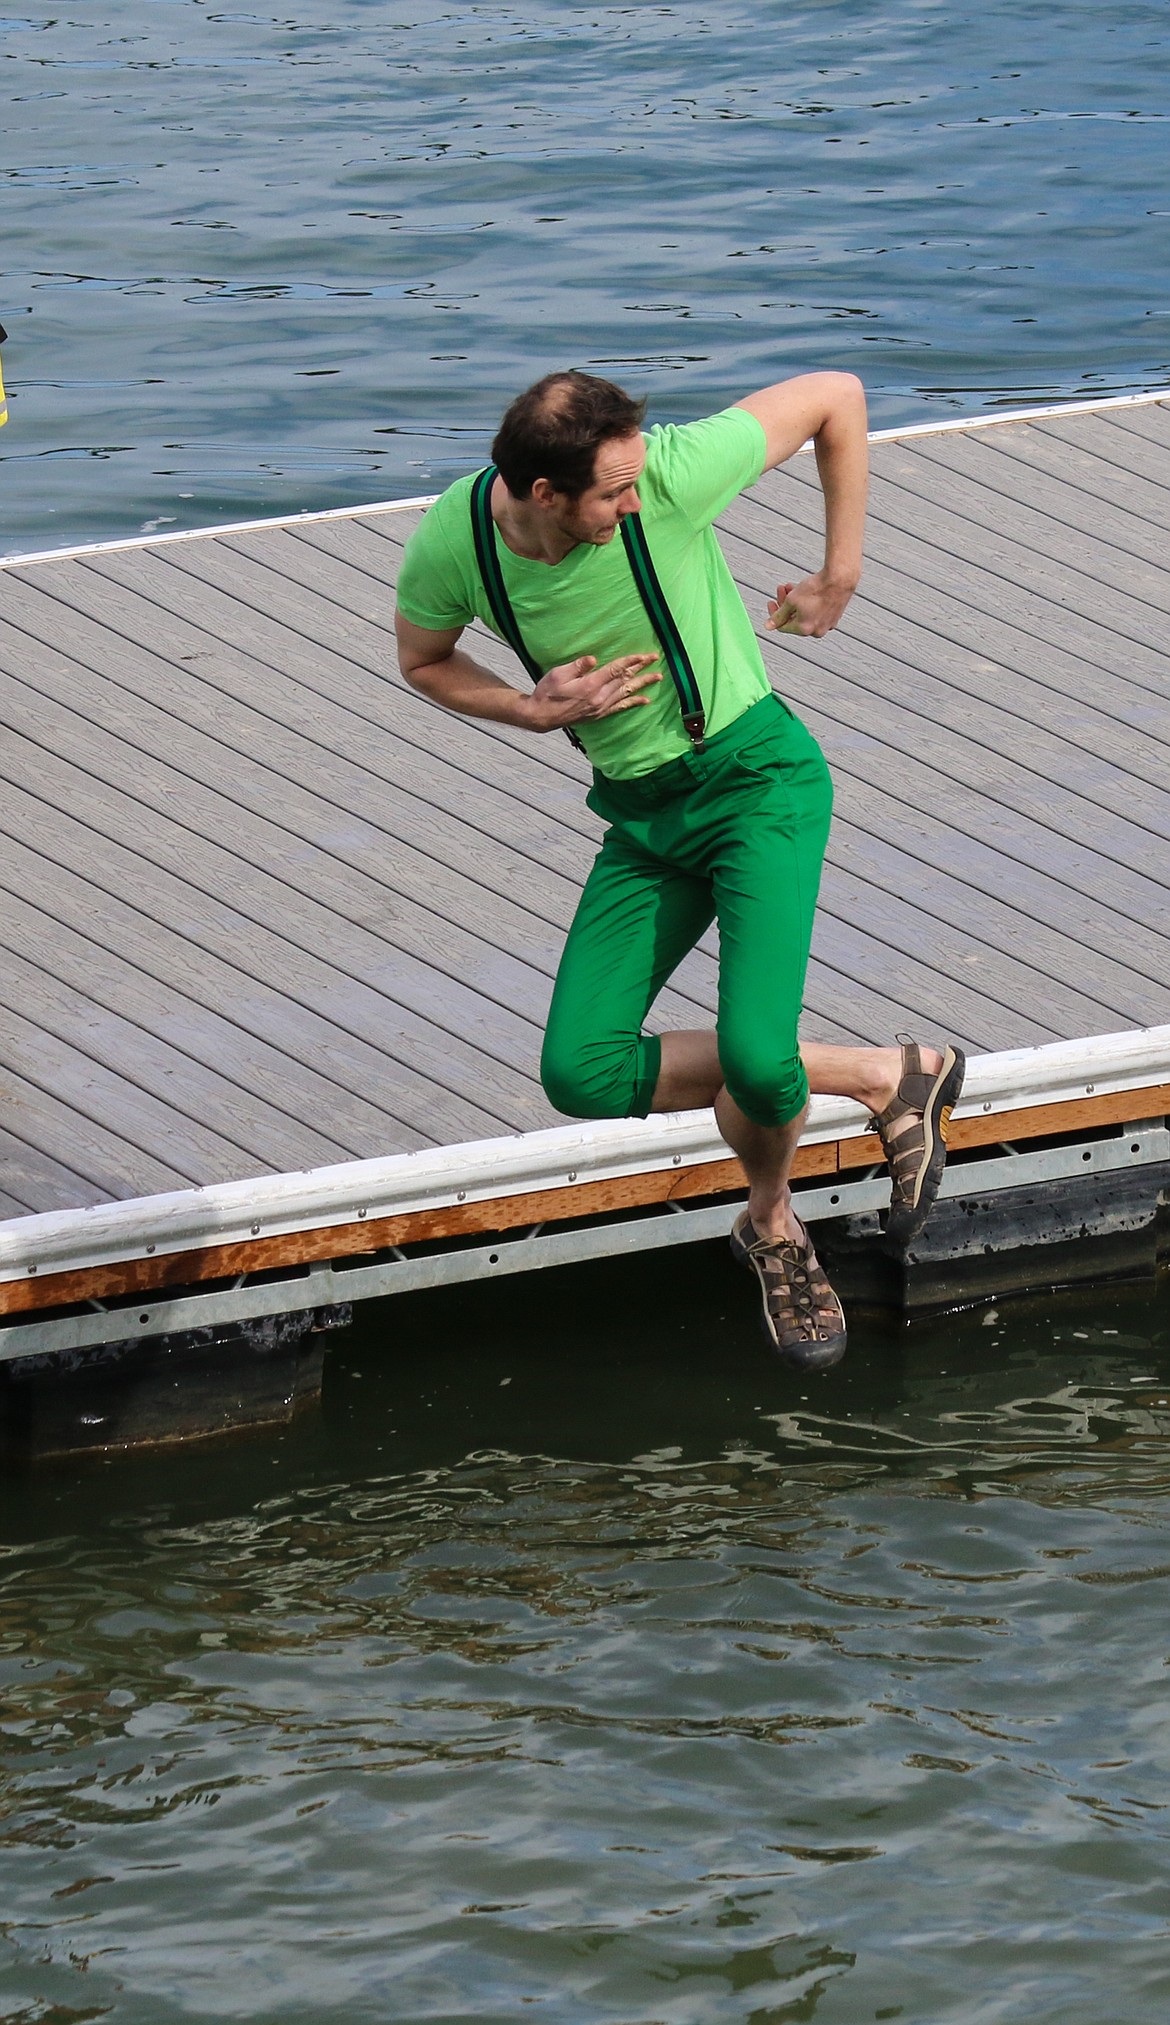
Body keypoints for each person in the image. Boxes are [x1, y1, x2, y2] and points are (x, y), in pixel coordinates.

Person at [394, 369, 964, 1371]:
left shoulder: (666, 475)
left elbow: (836, 394)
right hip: (645, 818)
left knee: (757, 1058)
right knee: (581, 1070)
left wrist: (841, 572)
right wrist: (529, 709)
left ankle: (773, 1227)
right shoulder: (459, 539)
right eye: (610, 493)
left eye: (633, 482)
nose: (633, 499)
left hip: (757, 788)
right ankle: (892, 1075)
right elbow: (424, 657)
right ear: (540, 493)